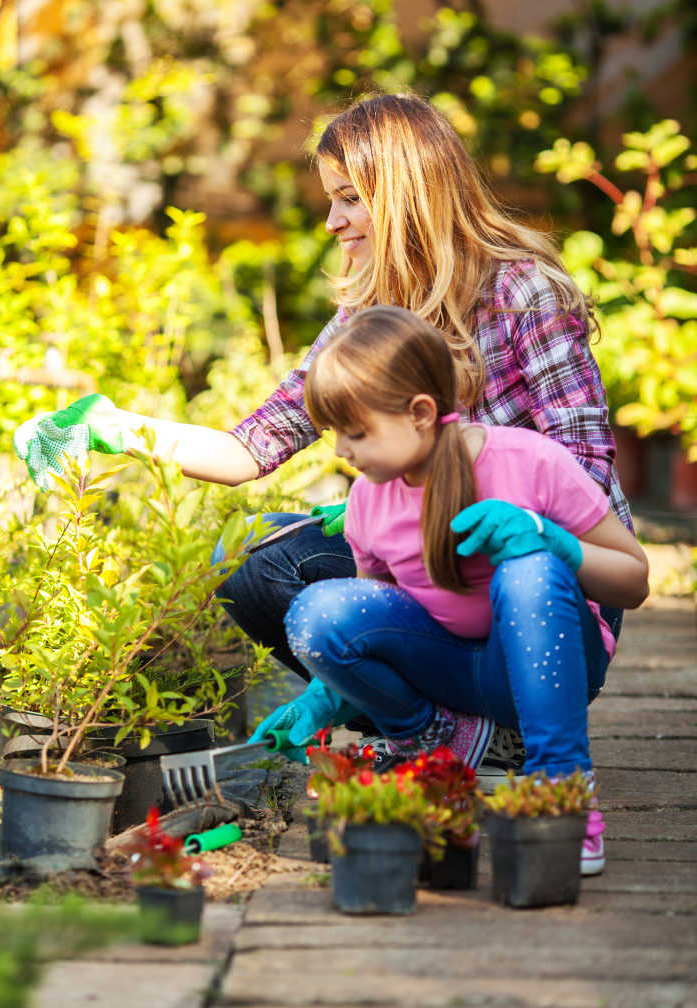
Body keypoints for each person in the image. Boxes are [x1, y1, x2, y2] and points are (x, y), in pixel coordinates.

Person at [13, 92, 634, 780]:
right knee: (254, 556)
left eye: (350, 199)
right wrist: (116, 428)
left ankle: (525, 726)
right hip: (442, 576)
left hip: (548, 574)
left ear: (404, 192)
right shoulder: (368, 313)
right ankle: (445, 734)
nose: (334, 221)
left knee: (517, 572)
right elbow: (251, 447)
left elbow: (587, 473)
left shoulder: (523, 292)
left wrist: (442, 491)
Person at [249, 305, 649, 876]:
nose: (339, 449)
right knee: (319, 611)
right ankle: (439, 744)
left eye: (355, 432)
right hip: (449, 672)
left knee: (528, 572)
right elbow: (372, 618)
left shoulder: (527, 460)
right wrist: (324, 697)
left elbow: (634, 581)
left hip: (545, 671)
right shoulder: (369, 500)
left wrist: (549, 540)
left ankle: (563, 794)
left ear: (419, 413)